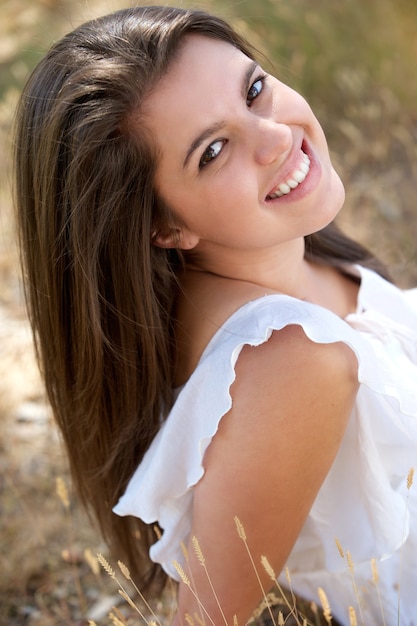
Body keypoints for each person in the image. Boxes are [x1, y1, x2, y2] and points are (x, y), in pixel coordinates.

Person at [14, 5, 417, 625]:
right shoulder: (288, 361)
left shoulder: (264, 255)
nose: (278, 137)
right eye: (214, 151)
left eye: (254, 90)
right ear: (161, 225)